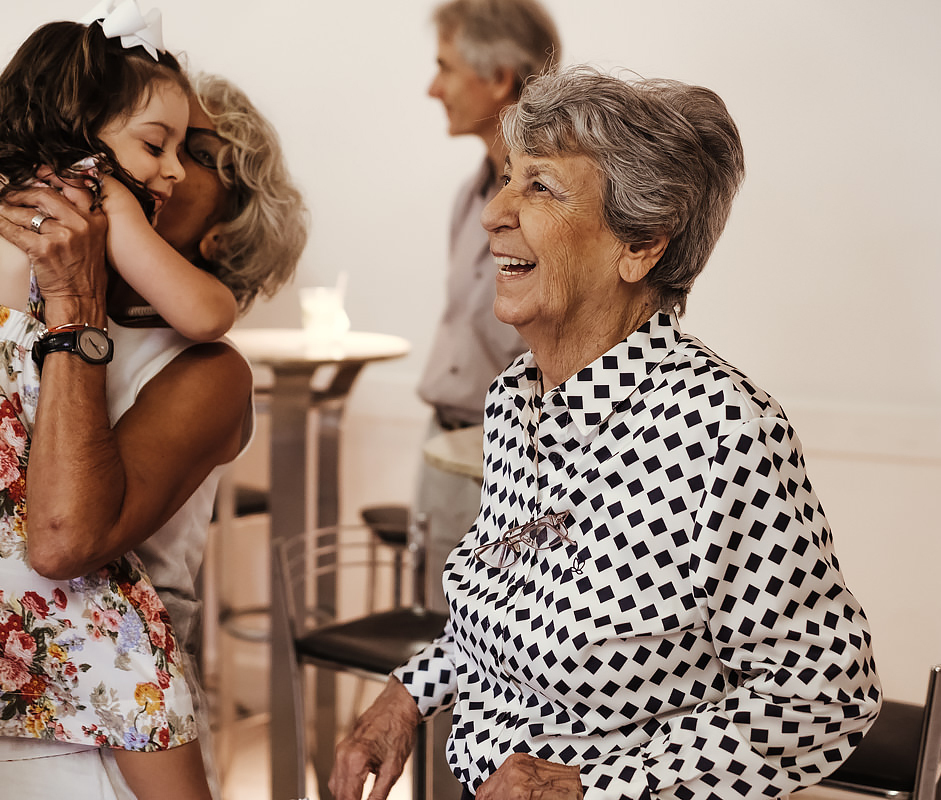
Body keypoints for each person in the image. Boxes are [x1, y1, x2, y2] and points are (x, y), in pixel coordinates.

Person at [331, 66, 883, 800]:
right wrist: (404, 697)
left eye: (540, 187)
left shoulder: (720, 433)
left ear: (640, 246)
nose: (495, 211)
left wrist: (593, 785)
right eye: (508, 178)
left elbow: (825, 691)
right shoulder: (514, 400)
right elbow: (503, 621)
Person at [0, 5, 265, 798]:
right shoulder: (85, 194)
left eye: (188, 153)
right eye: (156, 145)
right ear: (85, 134)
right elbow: (207, 313)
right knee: (138, 660)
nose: (171, 173)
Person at [418, 0, 560, 614]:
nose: (433, 88)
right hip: (445, 442)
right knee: (439, 638)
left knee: (494, 648)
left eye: (445, 67)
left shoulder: (560, 210)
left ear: (499, 77)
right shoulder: (468, 194)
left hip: (517, 463)